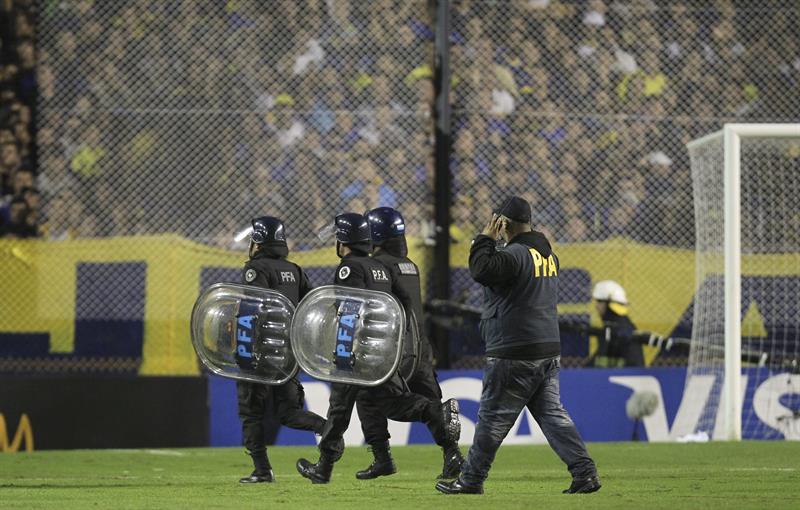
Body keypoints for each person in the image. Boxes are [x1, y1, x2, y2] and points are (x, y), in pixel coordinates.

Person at [436, 196, 600, 495]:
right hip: (547, 348)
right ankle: (585, 473)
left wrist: (485, 237)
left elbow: (481, 270)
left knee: (491, 420)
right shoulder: (548, 255)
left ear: (504, 223)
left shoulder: (515, 255)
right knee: (552, 415)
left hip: (515, 350)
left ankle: (471, 479)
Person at [296, 212, 462, 484]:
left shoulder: (363, 265)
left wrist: (349, 350)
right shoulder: (406, 265)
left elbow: (349, 310)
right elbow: (406, 303)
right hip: (414, 346)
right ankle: (441, 454)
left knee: (357, 405)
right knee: (372, 401)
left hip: (371, 350)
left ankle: (327, 467)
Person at [353, 207, 464, 480]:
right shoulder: (409, 265)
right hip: (420, 348)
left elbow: (377, 311)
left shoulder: (377, 267)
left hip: (395, 350)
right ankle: (453, 457)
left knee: (373, 399)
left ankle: (383, 459)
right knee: (428, 397)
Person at [236, 216, 326, 483]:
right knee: (288, 412)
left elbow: (253, 309)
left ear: (259, 242)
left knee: (251, 413)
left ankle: (262, 471)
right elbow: (312, 302)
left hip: (261, 354)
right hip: (288, 355)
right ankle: (327, 429)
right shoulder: (295, 269)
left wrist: (245, 351)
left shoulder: (256, 269)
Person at [590, 280, 644, 367]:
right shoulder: (616, 327)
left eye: (599, 301)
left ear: (609, 305)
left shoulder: (620, 330)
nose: (596, 306)